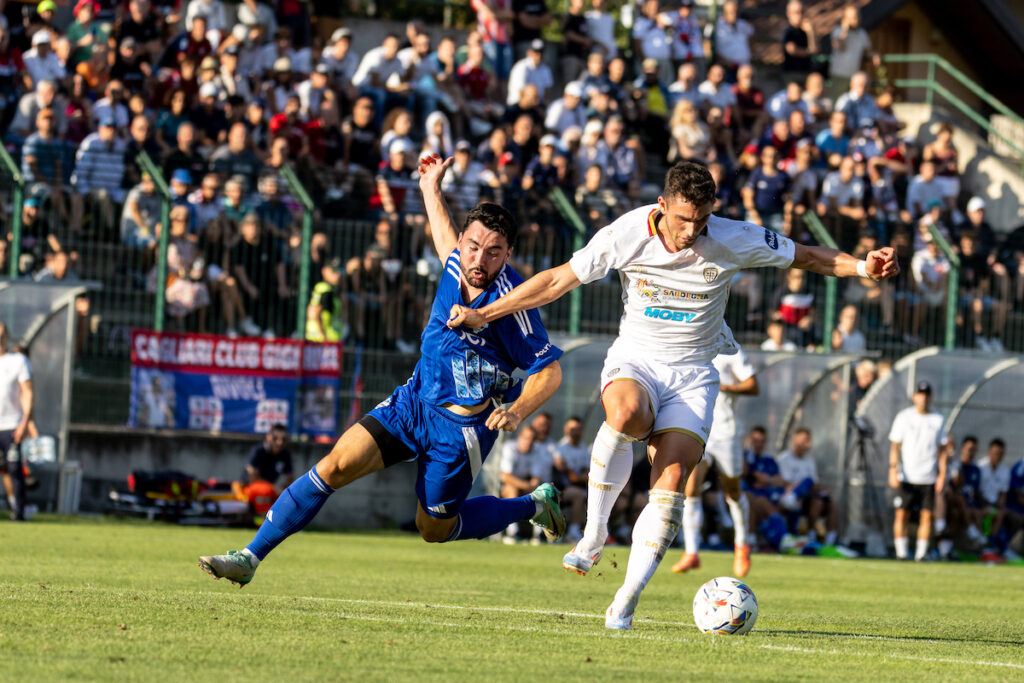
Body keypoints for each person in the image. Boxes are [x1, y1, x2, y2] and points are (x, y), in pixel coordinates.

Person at [447, 160, 898, 629]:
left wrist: (863, 266)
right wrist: (489, 313)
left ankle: (626, 598)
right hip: (637, 359)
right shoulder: (627, 233)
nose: (691, 230)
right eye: (683, 219)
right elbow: (559, 279)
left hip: (694, 374)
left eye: (701, 220)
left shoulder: (732, 237)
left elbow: (807, 256)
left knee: (674, 477)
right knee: (622, 415)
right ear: (662, 206)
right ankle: (595, 533)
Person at [199, 154, 566, 586]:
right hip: (411, 403)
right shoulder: (455, 260)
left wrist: (519, 410)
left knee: (433, 530)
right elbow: (443, 233)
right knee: (335, 464)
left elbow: (549, 371)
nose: (479, 260)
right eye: (473, 246)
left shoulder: (513, 305)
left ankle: (534, 504)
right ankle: (249, 557)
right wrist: (430, 188)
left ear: (508, 255)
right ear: (464, 241)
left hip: (459, 431)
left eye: (493, 252)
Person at [671, 348, 758, 578]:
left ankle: (742, 546)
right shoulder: (695, 345)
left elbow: (753, 385)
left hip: (725, 432)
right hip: (699, 427)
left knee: (733, 491)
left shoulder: (731, 349)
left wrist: (723, 387)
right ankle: (692, 552)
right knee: (690, 488)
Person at [888, 381, 950, 561]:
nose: (923, 398)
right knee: (902, 514)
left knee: (927, 516)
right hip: (907, 475)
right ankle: (901, 553)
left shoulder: (937, 419)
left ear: (930, 397)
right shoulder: (904, 417)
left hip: (928, 477)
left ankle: (920, 554)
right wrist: (893, 469)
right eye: (920, 394)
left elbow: (943, 450)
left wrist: (942, 475)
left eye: (926, 394)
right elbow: (895, 445)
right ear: (914, 397)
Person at [0, 324, 32, 521]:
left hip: (11, 425)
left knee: (13, 469)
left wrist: (25, 422)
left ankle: (19, 512)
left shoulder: (18, 361)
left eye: (2, 335)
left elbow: (27, 392)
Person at [499, 424, 550, 543]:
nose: (529, 441)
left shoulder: (537, 451)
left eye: (532, 439)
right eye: (526, 438)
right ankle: (513, 531)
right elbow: (505, 476)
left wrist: (533, 486)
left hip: (527, 486)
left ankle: (538, 533)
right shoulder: (509, 448)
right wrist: (527, 485)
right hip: (508, 487)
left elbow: (536, 478)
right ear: (520, 437)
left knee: (540, 491)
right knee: (512, 489)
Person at [552, 415, 590, 543]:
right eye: (572, 428)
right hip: (560, 488)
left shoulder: (584, 449)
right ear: (566, 430)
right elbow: (567, 473)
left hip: (577, 486)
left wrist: (578, 477)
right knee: (578, 495)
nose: (575, 432)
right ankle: (573, 532)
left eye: (578, 429)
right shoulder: (559, 448)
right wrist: (578, 477)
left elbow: (588, 473)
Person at [243, 423, 294, 504]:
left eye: (283, 439)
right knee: (265, 492)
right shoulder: (258, 451)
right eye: (275, 438)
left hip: (271, 489)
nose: (279, 442)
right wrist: (273, 487)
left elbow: (290, 478)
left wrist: (284, 490)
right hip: (251, 488)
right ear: (268, 437)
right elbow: (253, 477)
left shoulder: (285, 454)